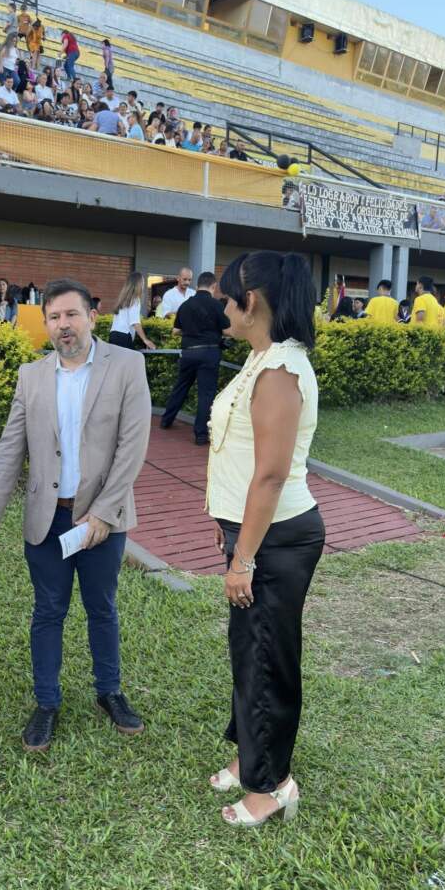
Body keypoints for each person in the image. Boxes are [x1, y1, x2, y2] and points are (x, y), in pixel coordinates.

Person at [0, 278, 151, 752]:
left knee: (102, 607)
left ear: (92, 315)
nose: (63, 325)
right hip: (47, 520)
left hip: (102, 519)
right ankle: (46, 702)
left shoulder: (127, 365)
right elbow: (12, 447)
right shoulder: (32, 375)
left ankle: (109, 692)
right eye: (54, 317)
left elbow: (133, 447)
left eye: (72, 314)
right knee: (48, 611)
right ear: (44, 323)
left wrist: (104, 515)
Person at [206, 251, 325, 828]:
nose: (222, 306)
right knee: (249, 654)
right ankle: (249, 756)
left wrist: (243, 557)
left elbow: (272, 475)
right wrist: (226, 523)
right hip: (254, 534)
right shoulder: (261, 359)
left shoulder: (279, 372)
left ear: (250, 303)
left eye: (227, 297)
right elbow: (239, 458)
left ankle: (271, 786)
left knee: (267, 661)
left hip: (275, 542)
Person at [160, 271, 230, 445]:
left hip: (189, 352)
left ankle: (166, 420)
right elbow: (227, 331)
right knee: (205, 394)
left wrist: (192, 332)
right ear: (213, 286)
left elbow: (175, 331)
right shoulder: (216, 306)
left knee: (181, 387)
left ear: (197, 285)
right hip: (209, 353)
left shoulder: (185, 305)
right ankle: (200, 435)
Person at [108, 272, 157, 351]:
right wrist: (145, 340)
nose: (143, 285)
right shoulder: (135, 300)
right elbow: (135, 322)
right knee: (128, 362)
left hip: (113, 335)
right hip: (124, 336)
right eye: (143, 282)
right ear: (138, 284)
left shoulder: (123, 300)